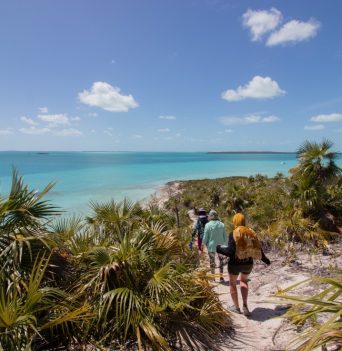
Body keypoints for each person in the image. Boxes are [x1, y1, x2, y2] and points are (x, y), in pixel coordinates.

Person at [217, 213, 271, 316]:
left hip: (235, 263)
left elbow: (230, 252)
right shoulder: (251, 233)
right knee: (244, 281)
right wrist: (266, 260)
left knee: (233, 284)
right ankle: (245, 305)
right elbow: (259, 249)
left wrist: (219, 248)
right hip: (248, 263)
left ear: (235, 221)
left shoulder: (233, 233)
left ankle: (237, 308)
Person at [202, 210, 227, 282]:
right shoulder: (222, 224)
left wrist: (203, 244)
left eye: (209, 216)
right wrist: (227, 245)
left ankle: (213, 278)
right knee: (221, 261)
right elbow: (225, 236)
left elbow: (205, 236)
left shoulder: (207, 225)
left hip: (211, 246)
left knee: (212, 261)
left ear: (211, 216)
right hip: (221, 246)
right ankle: (221, 278)